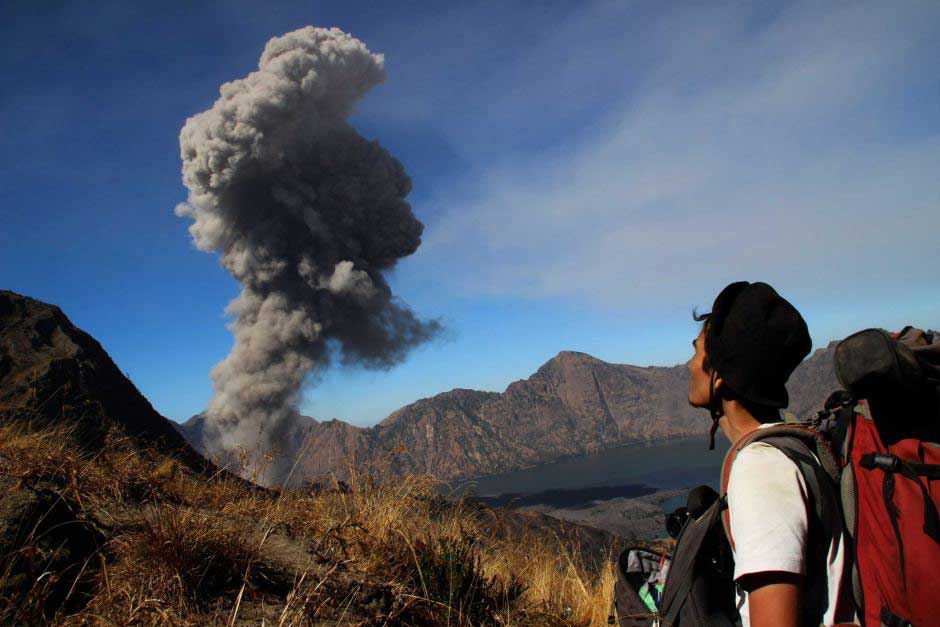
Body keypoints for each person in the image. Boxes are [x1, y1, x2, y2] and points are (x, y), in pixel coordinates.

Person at [687, 281, 851, 627]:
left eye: (697, 350)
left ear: (719, 377)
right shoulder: (796, 445)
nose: (689, 364)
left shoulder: (761, 470)